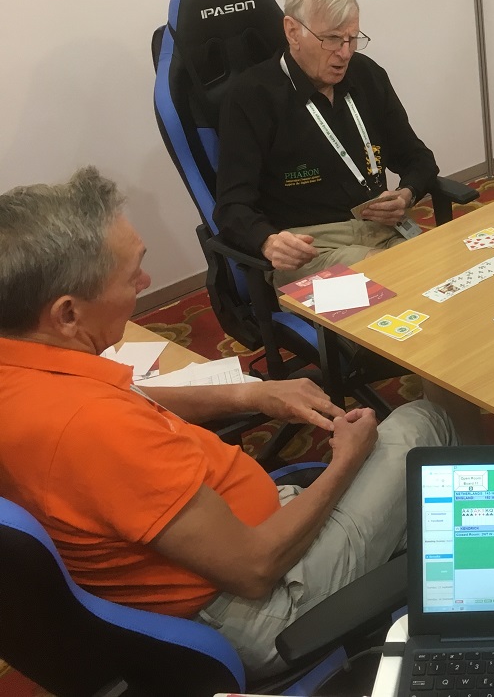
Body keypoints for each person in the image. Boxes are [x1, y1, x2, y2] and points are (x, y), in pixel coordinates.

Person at [0, 167, 456, 676]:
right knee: (425, 423)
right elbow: (255, 568)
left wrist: (251, 392)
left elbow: (132, 396)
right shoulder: (96, 428)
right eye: (132, 276)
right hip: (266, 605)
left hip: (221, 543)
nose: (146, 284)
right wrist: (345, 460)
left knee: (398, 491)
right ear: (67, 315)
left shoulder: (23, 368)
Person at [214, 0, 439, 288]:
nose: (345, 53)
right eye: (332, 39)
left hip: (381, 231)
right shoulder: (252, 97)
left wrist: (407, 194)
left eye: (352, 38)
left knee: (446, 275)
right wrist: (267, 241)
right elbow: (231, 206)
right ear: (293, 31)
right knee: (396, 281)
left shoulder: (367, 77)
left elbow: (418, 158)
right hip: (309, 248)